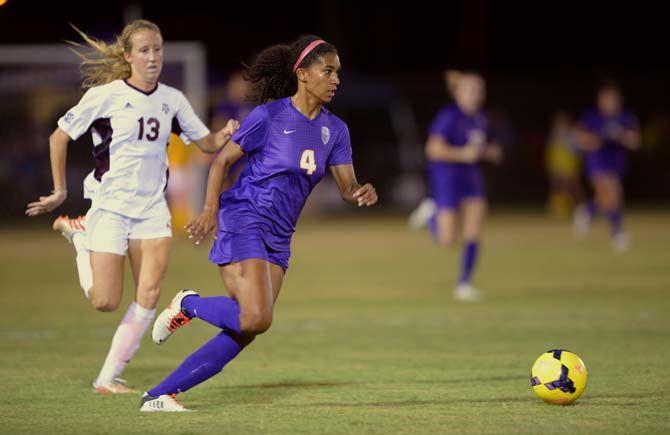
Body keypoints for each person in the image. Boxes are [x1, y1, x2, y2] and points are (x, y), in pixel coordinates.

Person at [139, 35, 378, 412]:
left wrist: (361, 192)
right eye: (327, 70)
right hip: (245, 217)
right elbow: (220, 162)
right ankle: (189, 304)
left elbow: (347, 186)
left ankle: (159, 395)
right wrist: (210, 209)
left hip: (280, 236)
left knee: (248, 328)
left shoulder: (336, 130)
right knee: (256, 317)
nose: (336, 79)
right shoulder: (269, 117)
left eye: (338, 72)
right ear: (302, 73)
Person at [25, 20, 237, 394]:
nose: (153, 56)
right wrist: (60, 191)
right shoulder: (105, 96)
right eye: (144, 50)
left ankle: (107, 378)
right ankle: (81, 240)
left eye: (157, 49)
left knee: (150, 295)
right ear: (127, 55)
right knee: (105, 301)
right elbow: (58, 137)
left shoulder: (172, 99)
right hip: (110, 207)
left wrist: (224, 134)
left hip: (153, 209)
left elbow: (205, 142)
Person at [407, 70, 502, 301]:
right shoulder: (449, 115)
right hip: (447, 177)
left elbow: (476, 149)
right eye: (471, 89)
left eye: (480, 90)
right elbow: (432, 149)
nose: (476, 94)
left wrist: (489, 152)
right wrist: (462, 154)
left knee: (474, 230)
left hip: (471, 177)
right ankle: (431, 213)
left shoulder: (480, 119)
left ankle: (464, 284)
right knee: (448, 242)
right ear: (458, 93)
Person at [573, 81, 640, 251]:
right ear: (600, 101)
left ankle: (588, 212)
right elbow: (579, 138)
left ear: (618, 101)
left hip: (616, 161)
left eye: (612, 100)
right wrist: (592, 140)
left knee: (608, 198)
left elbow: (635, 141)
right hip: (597, 160)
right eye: (605, 100)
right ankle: (618, 233)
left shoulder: (626, 117)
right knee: (610, 192)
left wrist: (622, 136)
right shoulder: (592, 117)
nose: (608, 103)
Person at [545, 111, 583, 217]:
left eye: (562, 122)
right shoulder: (553, 135)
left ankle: (580, 209)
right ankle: (559, 209)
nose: (560, 125)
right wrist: (550, 165)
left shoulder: (571, 135)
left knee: (573, 187)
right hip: (556, 165)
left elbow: (577, 151)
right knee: (557, 188)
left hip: (569, 165)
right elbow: (550, 152)